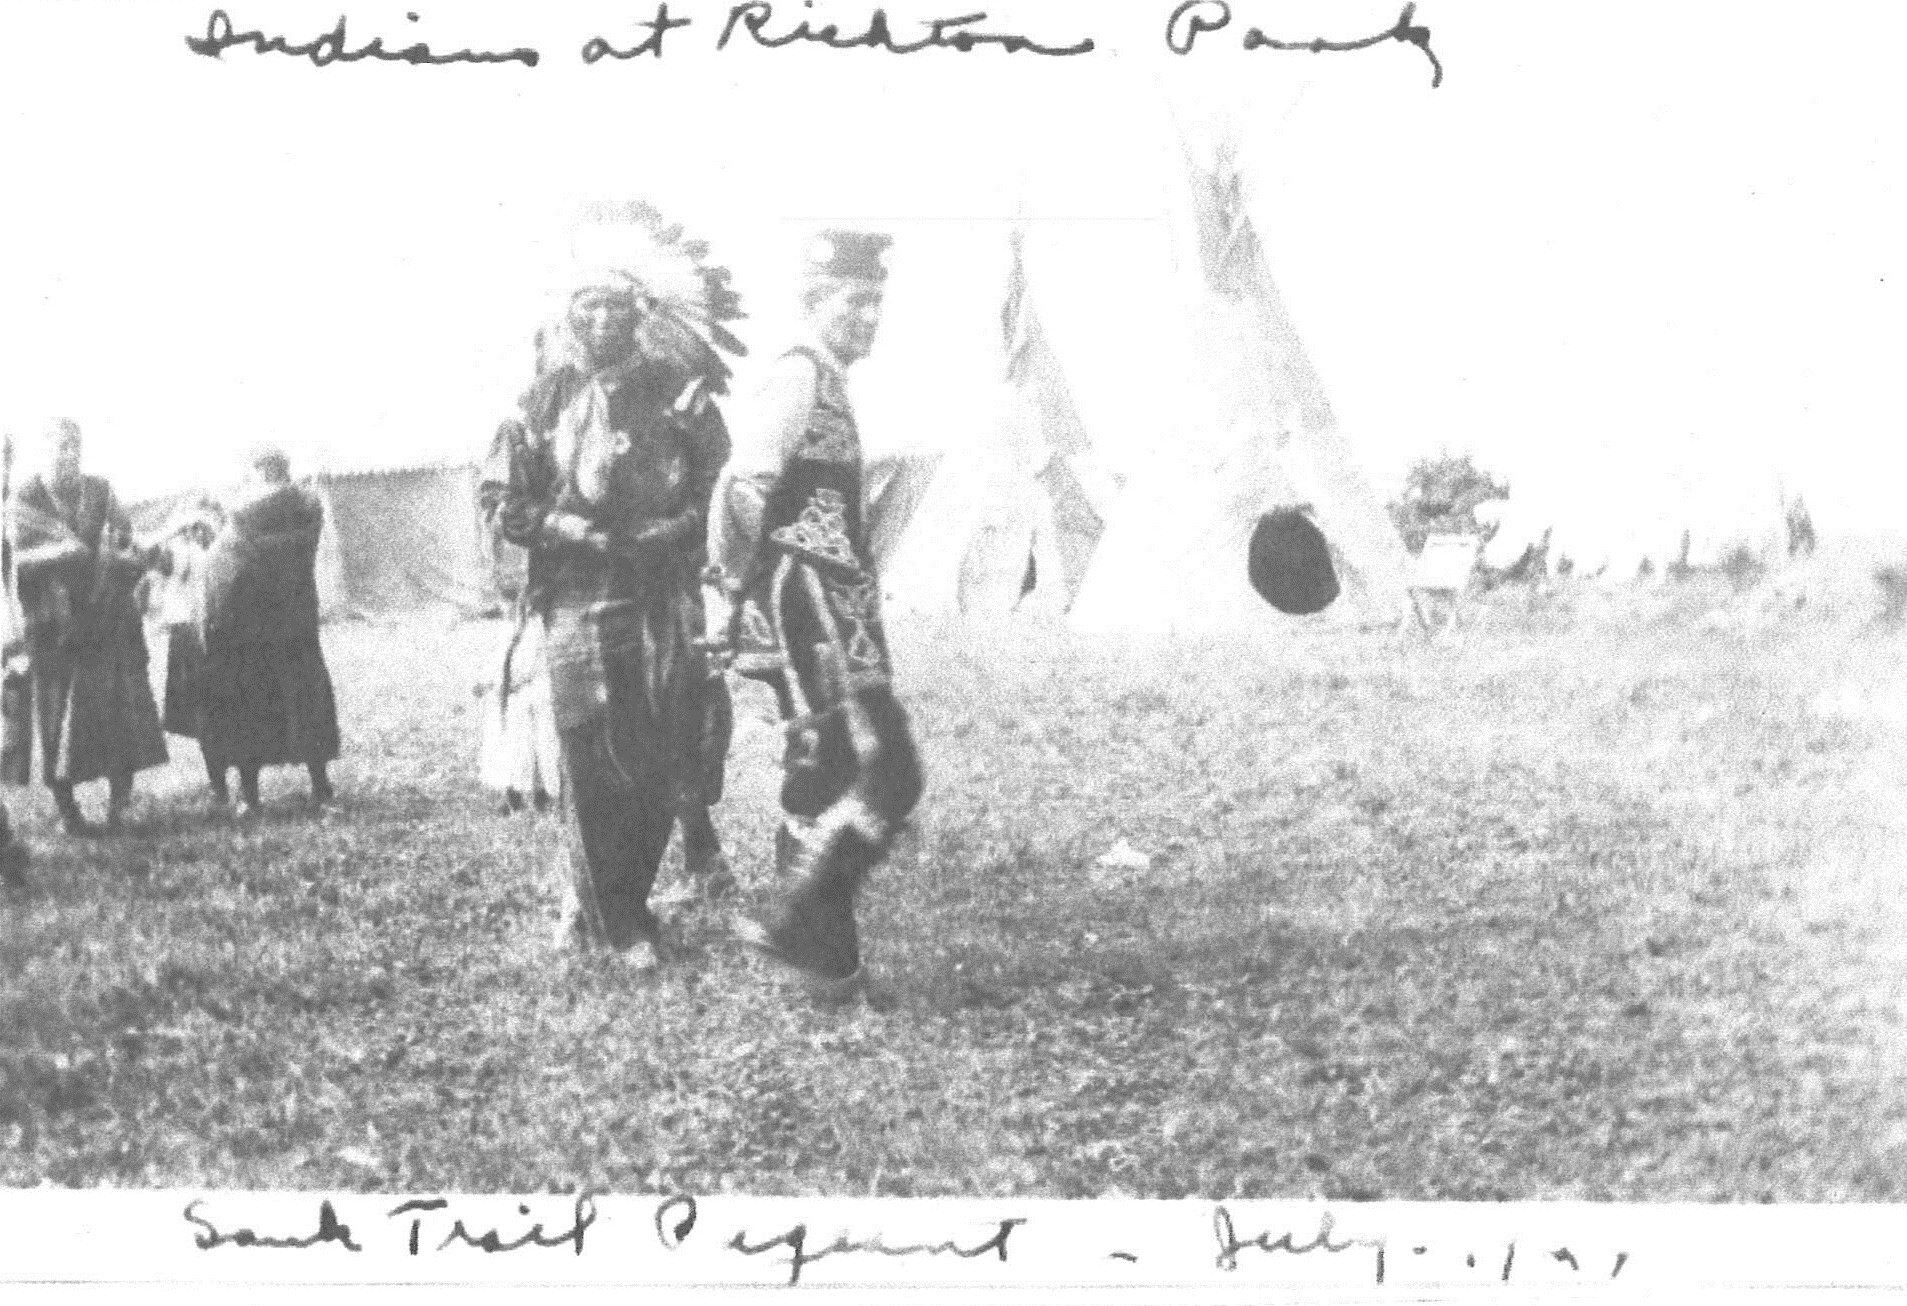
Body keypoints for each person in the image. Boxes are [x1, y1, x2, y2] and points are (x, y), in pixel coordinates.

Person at [480, 203, 742, 969]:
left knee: (660, 753)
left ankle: (626, 900)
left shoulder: (683, 396)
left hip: (664, 597)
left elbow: (725, 490)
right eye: (586, 306)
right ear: (568, 317)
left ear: (640, 314)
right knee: (590, 755)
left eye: (615, 306)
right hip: (577, 602)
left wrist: (679, 530)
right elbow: (500, 501)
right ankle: (612, 916)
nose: (600, 321)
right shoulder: (538, 403)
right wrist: (576, 533)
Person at [707, 230, 924, 999]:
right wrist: (734, 587)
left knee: (844, 770)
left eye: (876, 302)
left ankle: (822, 955)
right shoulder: (797, 373)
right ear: (814, 301)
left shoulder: (828, 376)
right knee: (868, 768)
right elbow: (742, 485)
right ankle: (808, 936)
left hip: (837, 605)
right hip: (807, 601)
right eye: (854, 300)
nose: (870, 316)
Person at [4, 419, 168, 834]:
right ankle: (68, 811)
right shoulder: (25, 499)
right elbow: (13, 561)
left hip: (106, 616)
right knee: (56, 717)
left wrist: (134, 552)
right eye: (60, 448)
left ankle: (120, 804)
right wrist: (63, 551)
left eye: (75, 447)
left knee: (120, 710)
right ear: (43, 453)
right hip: (52, 625)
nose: (69, 456)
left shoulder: (100, 490)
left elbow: (127, 538)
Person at [198, 446, 341, 816]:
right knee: (305, 696)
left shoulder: (245, 515)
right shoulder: (308, 506)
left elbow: (224, 562)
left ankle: (250, 794)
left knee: (251, 701)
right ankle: (320, 784)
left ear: (259, 472)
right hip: (295, 615)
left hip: (253, 621)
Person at [151, 505, 224, 800]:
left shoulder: (189, 551)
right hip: (203, 633)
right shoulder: (202, 550)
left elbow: (161, 560)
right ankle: (221, 782)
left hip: (195, 636)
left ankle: (220, 783)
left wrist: (170, 534)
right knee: (210, 713)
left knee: (206, 714)